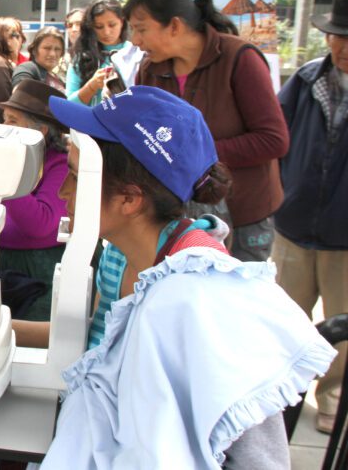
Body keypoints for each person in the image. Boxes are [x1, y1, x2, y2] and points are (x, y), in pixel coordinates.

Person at [33, 86, 336, 469]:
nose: (62, 191)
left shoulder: (201, 300)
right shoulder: (119, 257)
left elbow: (259, 457)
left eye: (76, 176)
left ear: (129, 199)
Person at [126, 0, 289, 261]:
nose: (135, 41)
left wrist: (198, 154)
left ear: (174, 26)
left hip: (244, 213)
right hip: (179, 217)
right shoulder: (151, 70)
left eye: (141, 29)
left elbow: (274, 140)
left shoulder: (239, 59)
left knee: (237, 300)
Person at [273, 0, 348, 435]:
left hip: (345, 234)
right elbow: (277, 139)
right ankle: (282, 397)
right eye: (337, 36)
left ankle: (333, 396)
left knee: (341, 324)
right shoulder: (304, 80)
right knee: (286, 319)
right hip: (294, 222)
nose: (342, 47)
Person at [0, 79, 68, 321]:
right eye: (5, 119)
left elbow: (40, 224)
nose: (5, 126)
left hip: (37, 272)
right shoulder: (17, 157)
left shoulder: (61, 165)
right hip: (0, 262)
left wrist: (7, 175)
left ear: (40, 131)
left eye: (13, 121)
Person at [67, 0, 142, 108]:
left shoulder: (136, 54)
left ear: (122, 22)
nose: (106, 32)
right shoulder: (82, 57)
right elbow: (69, 105)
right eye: (99, 27)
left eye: (112, 25)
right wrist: (91, 86)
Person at [12, 26, 65, 92]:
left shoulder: (58, 78)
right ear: (34, 50)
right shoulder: (28, 68)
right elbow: (19, 93)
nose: (52, 54)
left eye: (57, 49)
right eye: (47, 48)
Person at [54, 7, 84, 83]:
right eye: (70, 25)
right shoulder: (63, 60)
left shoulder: (103, 55)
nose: (74, 29)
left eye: (79, 24)